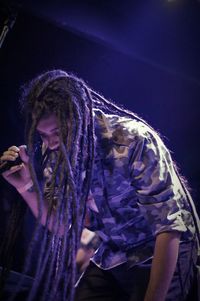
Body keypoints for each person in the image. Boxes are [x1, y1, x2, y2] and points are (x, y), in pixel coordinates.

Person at [0, 69, 199, 301]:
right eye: (43, 135)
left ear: (80, 117)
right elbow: (63, 225)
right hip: (115, 253)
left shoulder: (133, 140)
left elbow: (168, 227)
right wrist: (25, 186)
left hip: (163, 249)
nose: (51, 142)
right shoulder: (54, 155)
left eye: (57, 132)